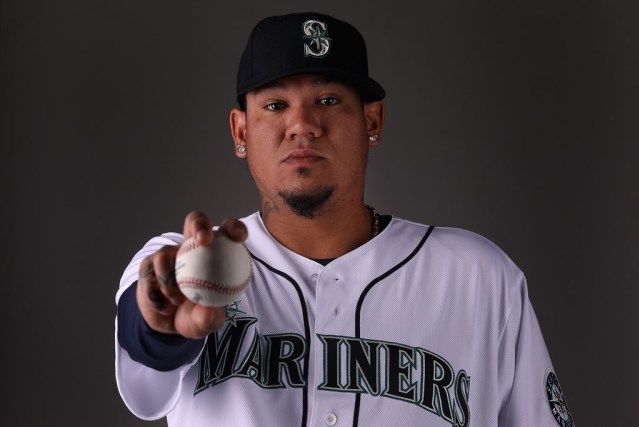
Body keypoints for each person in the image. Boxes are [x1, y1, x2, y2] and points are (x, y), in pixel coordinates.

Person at [115, 12, 573, 427]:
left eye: (329, 100)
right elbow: (145, 345)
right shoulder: (178, 265)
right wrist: (159, 322)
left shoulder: (479, 277)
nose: (303, 124)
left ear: (372, 121)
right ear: (241, 130)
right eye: (275, 106)